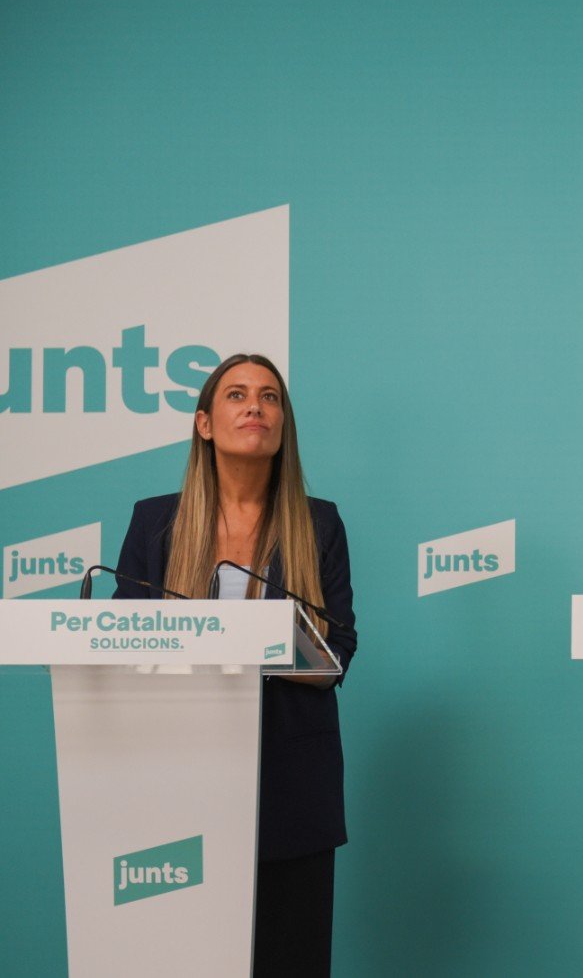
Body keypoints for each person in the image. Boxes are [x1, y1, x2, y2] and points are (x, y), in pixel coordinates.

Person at [113, 354, 357, 977]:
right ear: (204, 424)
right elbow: (120, 641)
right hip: (174, 778)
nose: (256, 406)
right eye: (238, 395)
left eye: (271, 397)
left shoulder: (318, 523)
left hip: (290, 788)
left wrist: (256, 644)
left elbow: (337, 655)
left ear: (283, 424)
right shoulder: (155, 520)